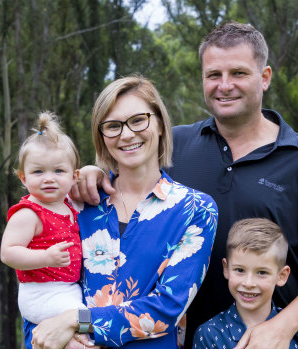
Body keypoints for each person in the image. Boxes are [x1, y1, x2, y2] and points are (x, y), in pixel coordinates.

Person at [73, 22, 298, 349]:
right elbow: (127, 173)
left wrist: (280, 327)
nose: (225, 86)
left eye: (238, 73)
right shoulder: (175, 145)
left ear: (264, 77)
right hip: (176, 339)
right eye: (213, 75)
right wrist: (94, 173)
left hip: (266, 341)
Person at [30, 76, 218, 349]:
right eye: (113, 126)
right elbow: (37, 288)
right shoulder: (76, 201)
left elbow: (167, 309)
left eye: (138, 120)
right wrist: (65, 340)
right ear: (101, 136)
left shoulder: (196, 210)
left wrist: (77, 320)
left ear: (161, 125)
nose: (127, 134)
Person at [0, 112, 86, 349]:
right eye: (38, 172)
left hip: (67, 290)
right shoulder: (29, 213)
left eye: (58, 171)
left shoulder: (70, 205)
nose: (49, 179)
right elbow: (8, 253)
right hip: (41, 293)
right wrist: (45, 257)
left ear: (74, 176)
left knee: (84, 326)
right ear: (23, 177)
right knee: (85, 322)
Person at [193, 218, 298, 348]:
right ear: (226, 269)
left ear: (281, 276)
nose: (248, 283)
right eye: (240, 270)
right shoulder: (209, 334)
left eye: (261, 272)